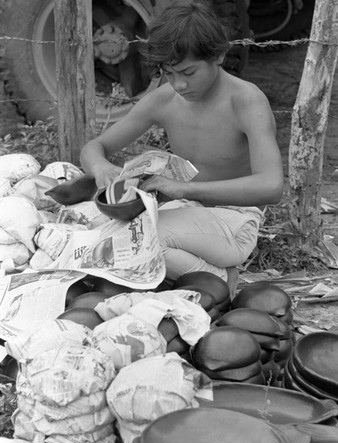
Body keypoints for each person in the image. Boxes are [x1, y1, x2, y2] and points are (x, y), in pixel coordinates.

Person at [80, 0, 284, 284]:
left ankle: (220, 279)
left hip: (236, 221)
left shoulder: (246, 101)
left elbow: (272, 186)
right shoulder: (164, 101)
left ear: (219, 57)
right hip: (189, 212)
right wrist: (101, 168)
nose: (179, 85)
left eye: (188, 73)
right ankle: (203, 272)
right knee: (101, 234)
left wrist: (182, 189)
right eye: (169, 73)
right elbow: (93, 148)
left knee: (144, 240)